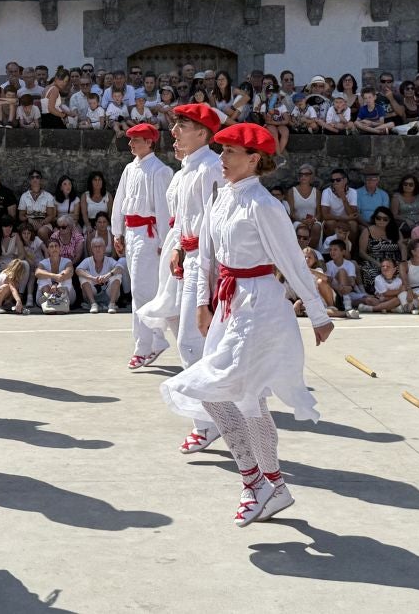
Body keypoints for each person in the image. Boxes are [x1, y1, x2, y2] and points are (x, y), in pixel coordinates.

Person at [160, 122, 333, 527]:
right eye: (221, 152)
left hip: (260, 306)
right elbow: (205, 253)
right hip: (230, 303)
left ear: (254, 159)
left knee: (212, 387)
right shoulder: (222, 197)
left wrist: (318, 313)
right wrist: (203, 302)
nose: (221, 159)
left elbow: (291, 261)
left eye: (230, 153)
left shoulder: (265, 206)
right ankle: (270, 485)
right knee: (240, 398)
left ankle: (258, 482)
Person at [166, 103, 226, 454]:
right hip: (190, 257)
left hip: (207, 262)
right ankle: (216, 416)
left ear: (202, 133)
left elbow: (214, 225)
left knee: (194, 341)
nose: (174, 132)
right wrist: (178, 248)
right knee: (195, 339)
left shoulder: (209, 169)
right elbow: (182, 220)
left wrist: (207, 271)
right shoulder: (186, 171)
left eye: (182, 126)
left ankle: (209, 420)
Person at [111, 122, 172, 367]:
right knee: (139, 289)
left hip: (149, 235)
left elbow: (164, 209)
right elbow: (119, 201)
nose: (131, 144)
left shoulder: (160, 170)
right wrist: (118, 232)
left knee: (145, 291)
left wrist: (163, 241)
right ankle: (153, 339)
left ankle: (146, 344)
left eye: (136, 139)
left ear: (149, 142)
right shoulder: (129, 168)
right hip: (133, 232)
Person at [76, 236, 124, 314]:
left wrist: (108, 275)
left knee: (117, 275)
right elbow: (78, 270)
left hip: (109, 293)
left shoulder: (109, 260)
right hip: (93, 293)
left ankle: (112, 304)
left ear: (104, 248)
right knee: (83, 276)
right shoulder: (87, 260)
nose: (97, 249)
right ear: (92, 249)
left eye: (100, 246)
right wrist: (92, 278)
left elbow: (120, 268)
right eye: (95, 246)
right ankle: (93, 304)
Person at [34, 237, 75, 311]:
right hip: (44, 296)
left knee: (65, 276)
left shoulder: (67, 261)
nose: (54, 248)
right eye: (51, 246)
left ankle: (60, 301)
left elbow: (70, 272)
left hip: (67, 296)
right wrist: (54, 276)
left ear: (60, 248)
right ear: (48, 250)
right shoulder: (43, 263)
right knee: (43, 276)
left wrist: (55, 284)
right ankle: (50, 300)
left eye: (56, 246)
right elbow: (37, 273)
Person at [17, 170, 56, 241]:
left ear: (41, 180)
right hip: (28, 224)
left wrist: (41, 223)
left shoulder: (48, 196)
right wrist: (29, 219)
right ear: (29, 180)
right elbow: (21, 216)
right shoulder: (24, 196)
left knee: (41, 231)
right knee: (25, 232)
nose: (35, 179)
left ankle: (49, 250)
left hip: (44, 224)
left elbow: (50, 215)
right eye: (32, 177)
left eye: (37, 177)